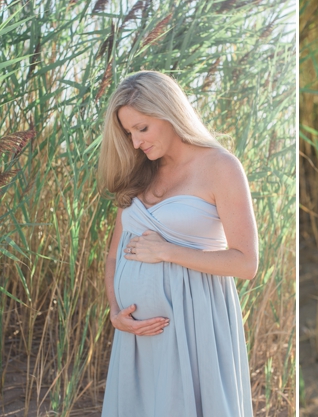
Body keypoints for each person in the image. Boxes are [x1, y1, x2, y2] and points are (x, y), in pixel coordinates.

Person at [97, 71, 257, 416]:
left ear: (169, 112)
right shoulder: (140, 172)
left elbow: (246, 263)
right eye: (129, 133)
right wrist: (115, 311)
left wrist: (168, 251)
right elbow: (113, 257)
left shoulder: (221, 167)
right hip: (138, 334)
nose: (136, 142)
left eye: (142, 128)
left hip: (193, 324)